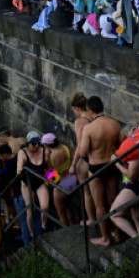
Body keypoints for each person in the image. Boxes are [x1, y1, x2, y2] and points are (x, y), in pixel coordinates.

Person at [75, 95, 121, 246]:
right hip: (112, 165)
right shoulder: (115, 124)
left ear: (89, 110)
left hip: (96, 167)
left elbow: (82, 153)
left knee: (100, 205)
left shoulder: (89, 128)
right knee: (113, 200)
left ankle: (105, 238)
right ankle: (118, 232)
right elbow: (120, 146)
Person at [109, 122, 139, 240]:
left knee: (114, 214)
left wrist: (116, 163)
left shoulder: (134, 151)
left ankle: (135, 237)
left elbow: (131, 175)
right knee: (137, 217)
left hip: (135, 185)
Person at [67, 92, 96, 226]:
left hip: (85, 160)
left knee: (87, 192)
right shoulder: (93, 117)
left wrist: (73, 164)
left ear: (76, 108)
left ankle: (91, 219)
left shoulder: (80, 122)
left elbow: (80, 146)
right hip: (97, 157)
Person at [17, 131, 51, 236]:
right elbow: (18, 170)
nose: (36, 146)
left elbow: (49, 168)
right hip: (27, 183)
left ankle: (43, 225)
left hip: (39, 182)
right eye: (33, 144)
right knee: (30, 208)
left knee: (45, 206)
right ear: (28, 143)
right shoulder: (23, 152)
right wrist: (21, 172)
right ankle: (31, 232)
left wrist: (53, 183)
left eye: (38, 143)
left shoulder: (44, 151)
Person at [44, 133, 74, 226]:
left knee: (61, 213)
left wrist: (46, 182)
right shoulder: (66, 148)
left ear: (46, 145)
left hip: (61, 184)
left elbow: (52, 178)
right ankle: (72, 225)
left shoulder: (50, 157)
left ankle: (66, 232)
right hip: (73, 179)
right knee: (67, 205)